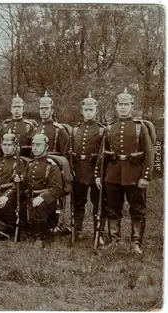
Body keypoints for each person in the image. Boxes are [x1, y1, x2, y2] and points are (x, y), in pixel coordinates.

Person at [95, 88, 154, 254]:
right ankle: (114, 240)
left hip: (135, 174)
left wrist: (146, 176)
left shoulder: (139, 127)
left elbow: (150, 153)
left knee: (137, 208)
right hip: (113, 174)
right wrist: (99, 174)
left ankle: (136, 243)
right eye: (120, 104)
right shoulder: (109, 128)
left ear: (131, 106)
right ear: (115, 106)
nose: (122, 107)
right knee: (113, 208)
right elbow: (102, 154)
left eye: (126, 104)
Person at [71, 92, 107, 242]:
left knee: (98, 203)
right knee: (78, 202)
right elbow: (70, 151)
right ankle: (77, 230)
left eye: (91, 110)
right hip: (79, 170)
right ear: (82, 111)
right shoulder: (75, 129)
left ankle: (98, 233)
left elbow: (102, 154)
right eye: (86, 110)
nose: (88, 112)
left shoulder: (101, 130)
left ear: (96, 111)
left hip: (94, 171)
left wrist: (99, 173)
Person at [26, 134, 63, 248]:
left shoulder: (52, 166)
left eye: (38, 145)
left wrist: (42, 197)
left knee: (39, 205)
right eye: (33, 145)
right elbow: (26, 183)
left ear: (46, 146)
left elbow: (56, 189)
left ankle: (40, 237)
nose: (35, 147)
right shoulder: (31, 164)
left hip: (47, 202)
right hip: (31, 196)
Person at [0, 131, 28, 233]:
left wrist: (6, 195)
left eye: (9, 145)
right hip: (0, 193)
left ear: (15, 146)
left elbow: (18, 186)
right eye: (4, 145)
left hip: (12, 195)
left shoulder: (18, 162)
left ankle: (11, 228)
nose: (6, 147)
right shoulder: (2, 160)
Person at [0, 94, 36, 158]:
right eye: (14, 107)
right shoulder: (5, 124)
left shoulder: (28, 126)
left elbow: (33, 146)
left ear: (23, 110)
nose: (16, 109)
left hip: (23, 159)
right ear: (11, 109)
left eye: (19, 107)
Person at [34, 91, 69, 155]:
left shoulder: (59, 129)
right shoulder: (36, 128)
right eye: (41, 109)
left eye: (46, 108)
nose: (43, 111)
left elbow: (65, 155)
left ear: (52, 111)